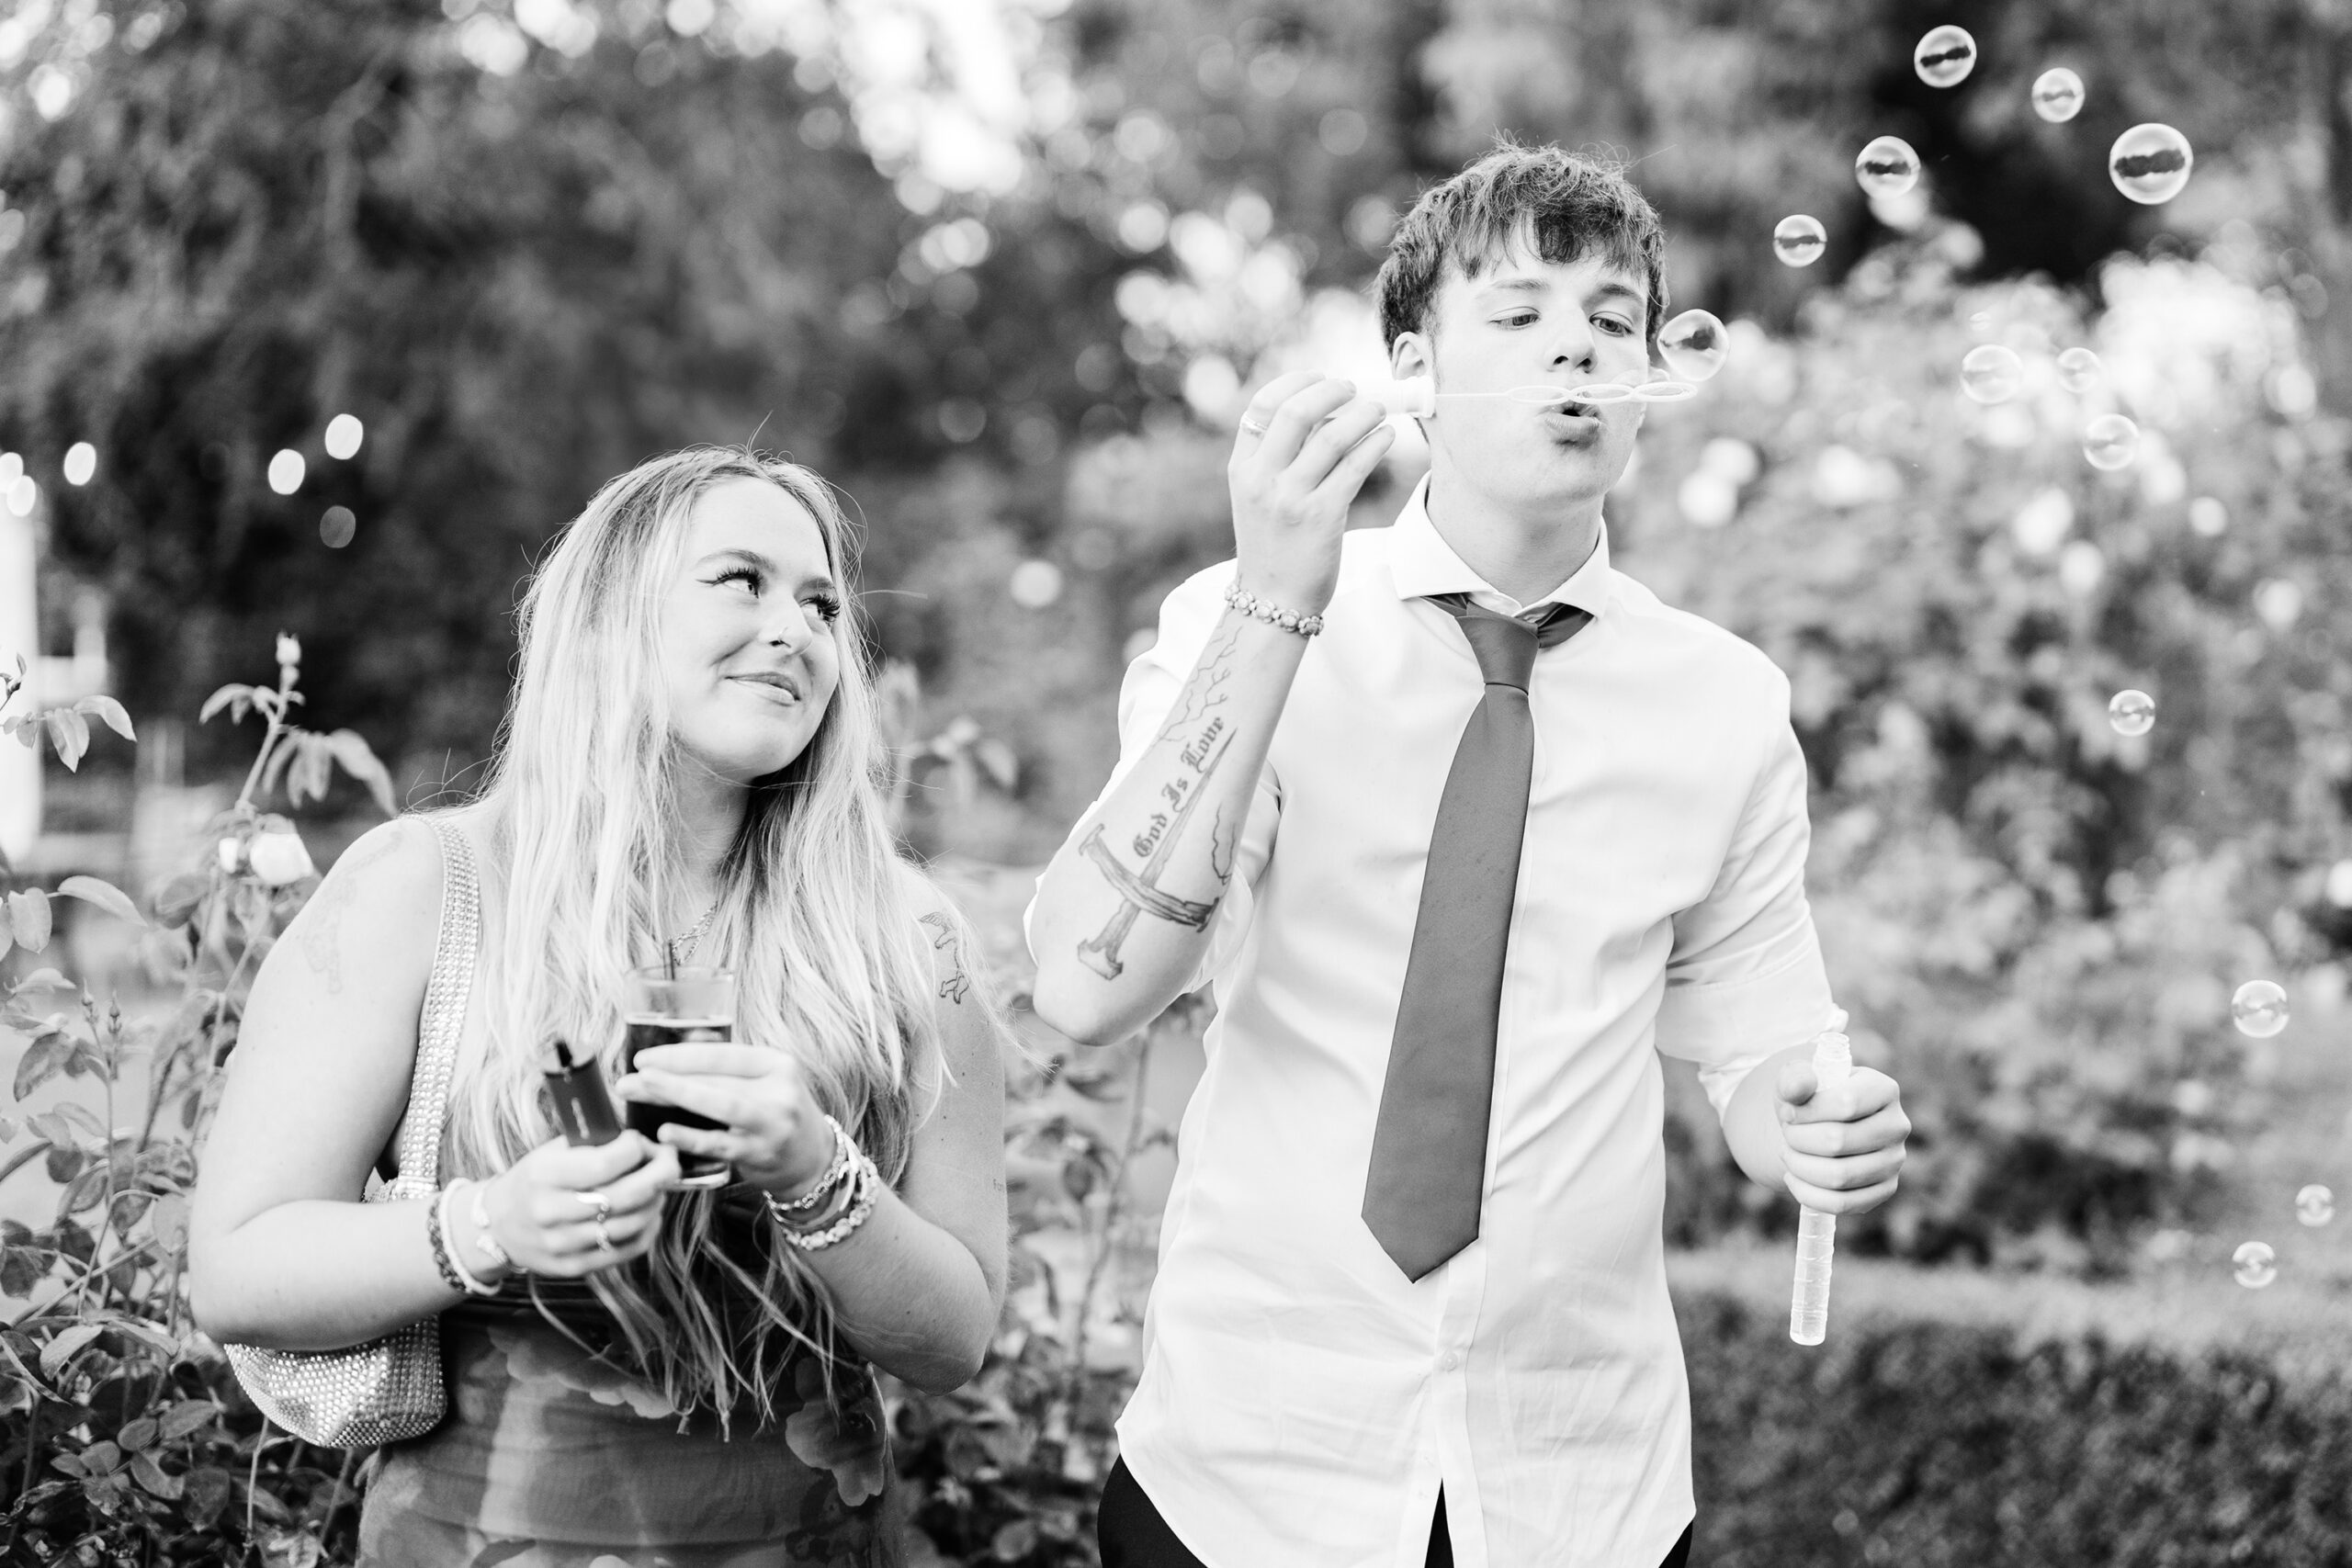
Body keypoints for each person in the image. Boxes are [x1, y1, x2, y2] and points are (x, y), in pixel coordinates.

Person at [1025, 142, 1912, 1568]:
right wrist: (1274, 602)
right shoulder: (1240, 622)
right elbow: (1084, 982)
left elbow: (1758, 1053)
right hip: (1250, 1476)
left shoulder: (1724, 702)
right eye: (1515, 312)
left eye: (1613, 315)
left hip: (1580, 1492)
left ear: (1642, 379)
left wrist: (1806, 1126)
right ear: (1409, 364)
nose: (1576, 337)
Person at [190, 446, 1011, 1567]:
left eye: (822, 603)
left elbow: (954, 1339)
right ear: (609, 616)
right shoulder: (423, 890)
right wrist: (492, 1227)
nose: (797, 629)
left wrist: (818, 1179)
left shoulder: (907, 939)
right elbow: (238, 1271)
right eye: (741, 581)